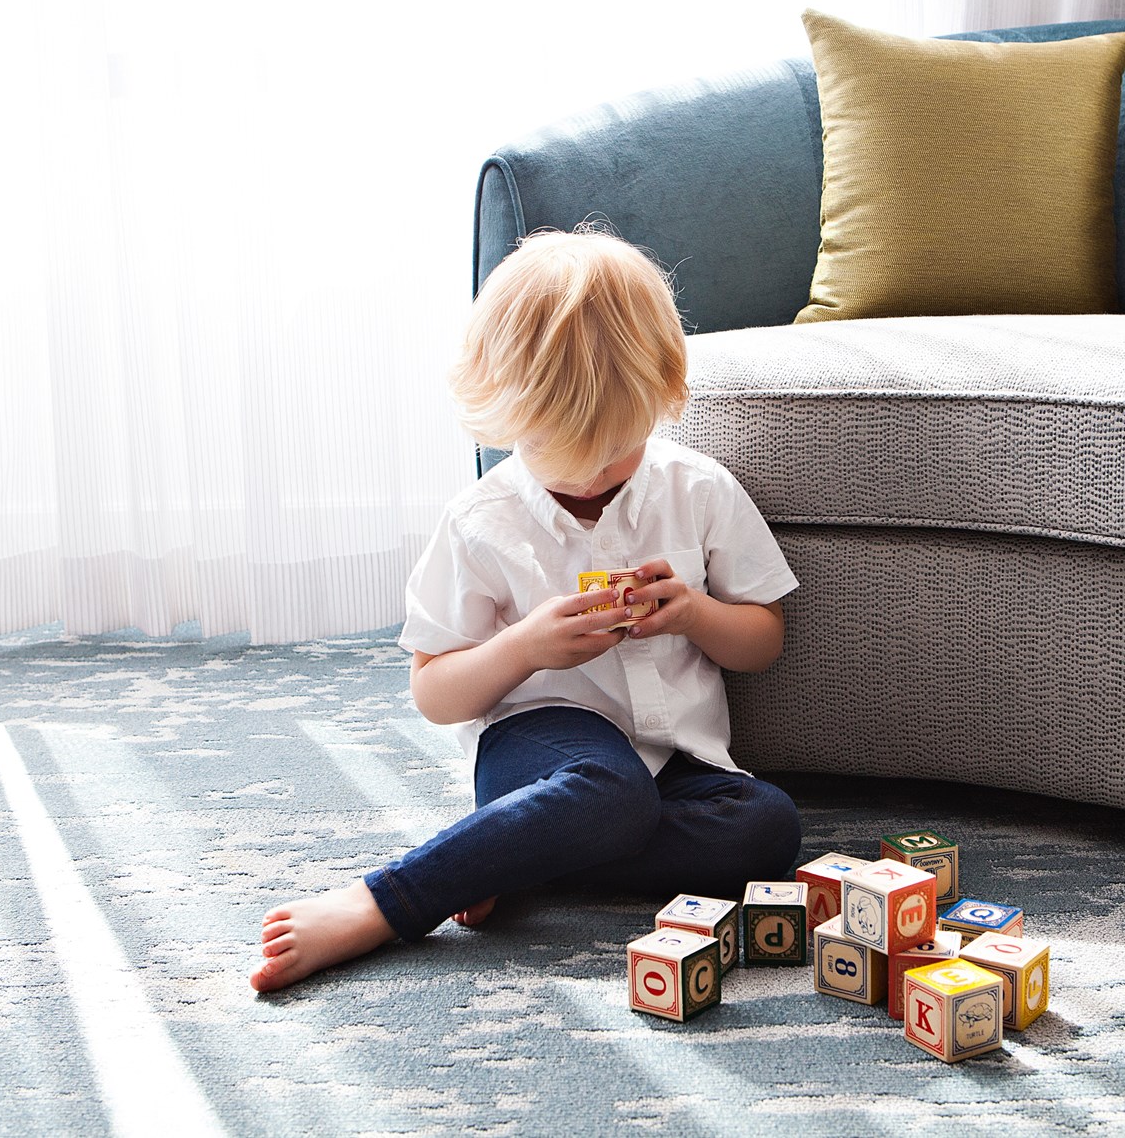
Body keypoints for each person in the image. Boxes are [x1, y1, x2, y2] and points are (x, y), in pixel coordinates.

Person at [251, 223, 802, 993]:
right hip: (543, 744)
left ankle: (518, 853)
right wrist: (524, 649)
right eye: (554, 452)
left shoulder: (699, 490)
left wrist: (693, 615)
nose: (585, 481)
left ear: (662, 396)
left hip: (678, 758)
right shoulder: (481, 520)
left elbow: (762, 641)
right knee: (606, 796)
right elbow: (434, 691)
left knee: (766, 828)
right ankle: (390, 898)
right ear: (505, 415)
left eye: (613, 452)